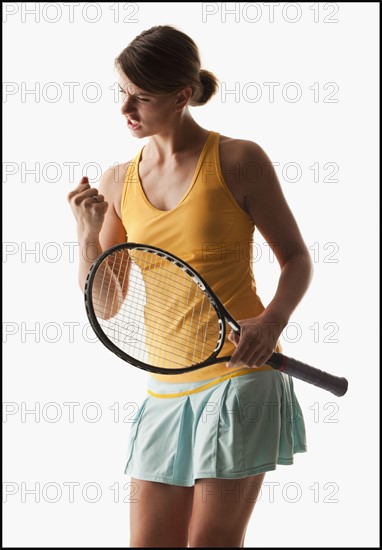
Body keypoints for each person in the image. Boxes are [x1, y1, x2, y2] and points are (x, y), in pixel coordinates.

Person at [68, 25, 313, 548]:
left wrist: (272, 321)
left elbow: (295, 258)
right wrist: (88, 233)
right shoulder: (117, 182)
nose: (125, 108)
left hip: (241, 376)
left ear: (182, 96)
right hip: (166, 388)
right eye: (122, 92)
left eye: (142, 97)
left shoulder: (238, 160)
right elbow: (107, 304)